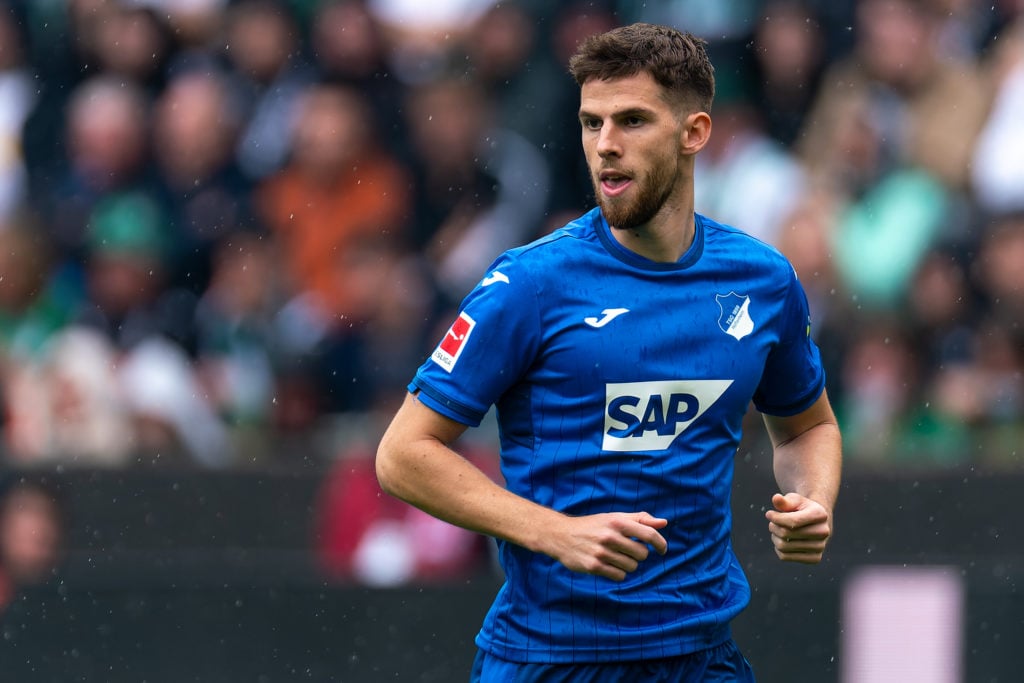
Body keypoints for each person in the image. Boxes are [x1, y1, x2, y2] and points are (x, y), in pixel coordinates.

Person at [375, 22, 842, 682]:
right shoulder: (529, 283)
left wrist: (812, 497)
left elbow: (808, 425)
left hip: (700, 657)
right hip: (552, 658)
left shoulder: (761, 281)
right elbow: (402, 454)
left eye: (631, 121)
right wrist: (553, 531)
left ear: (694, 132)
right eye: (592, 123)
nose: (606, 146)